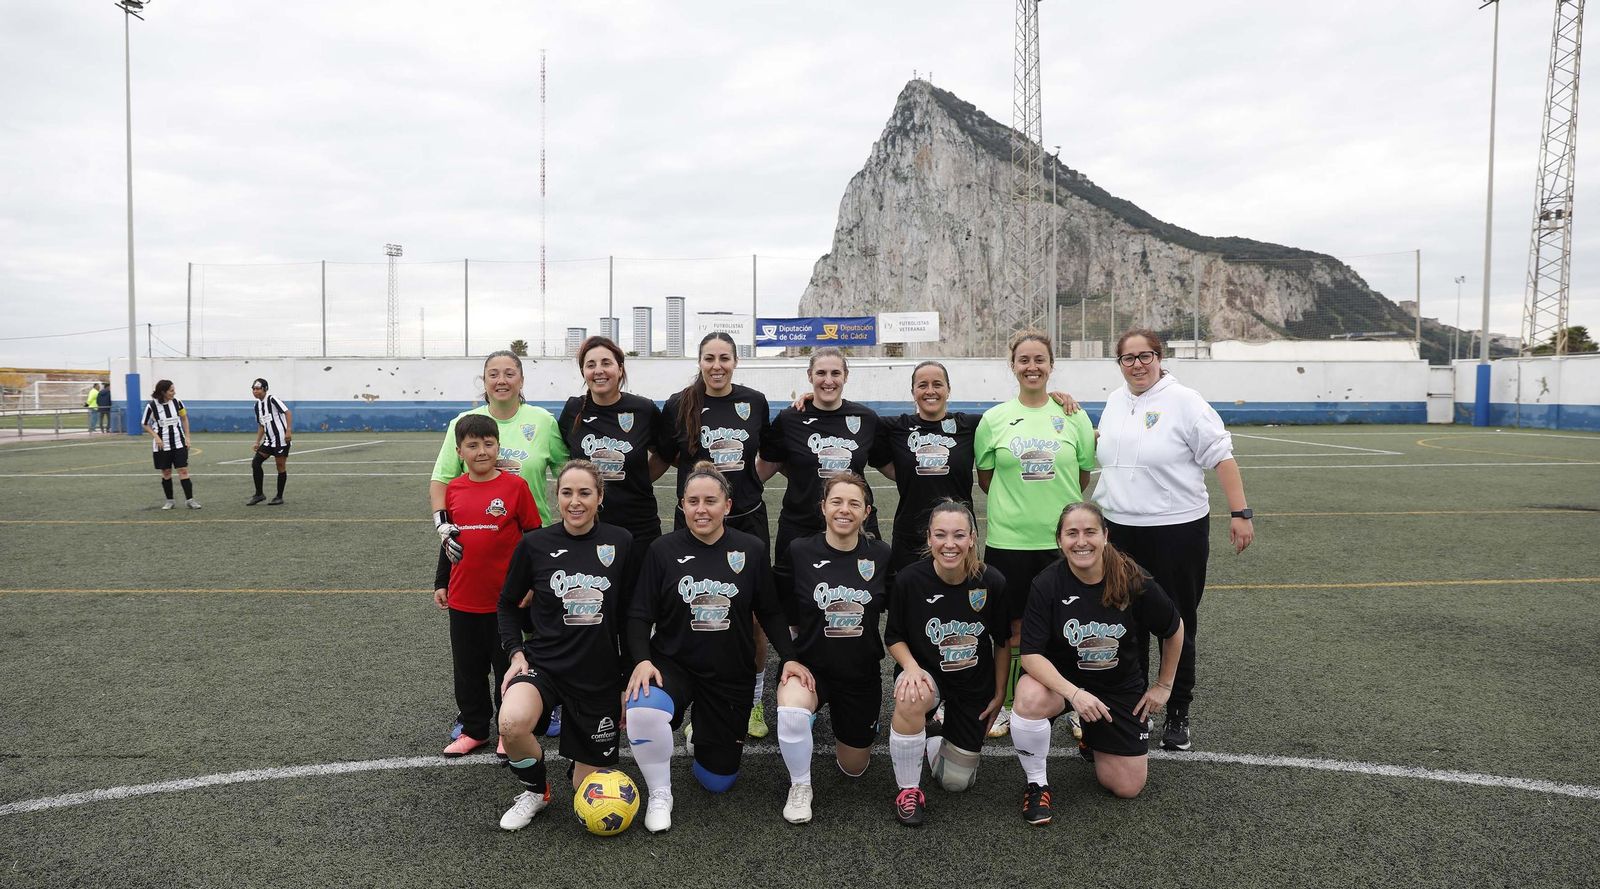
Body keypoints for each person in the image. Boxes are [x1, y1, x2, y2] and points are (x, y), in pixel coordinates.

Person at [623, 461, 809, 834]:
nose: (701, 509)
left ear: (728, 504)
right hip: (673, 664)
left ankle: (702, 732)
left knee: (717, 781)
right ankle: (661, 793)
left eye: (711, 500)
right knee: (643, 710)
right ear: (682, 505)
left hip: (729, 673)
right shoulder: (662, 550)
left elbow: (769, 611)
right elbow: (639, 615)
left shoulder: (750, 550)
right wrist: (642, 661)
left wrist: (791, 658)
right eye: (693, 501)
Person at [1093, 328, 1254, 752]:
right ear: (1119, 364)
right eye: (1128, 358)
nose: (1138, 364)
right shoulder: (1113, 402)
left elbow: (1221, 454)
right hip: (1119, 531)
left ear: (1159, 358)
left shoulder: (1185, 401)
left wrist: (1240, 513)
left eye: (1145, 356)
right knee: (1124, 622)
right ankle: (1133, 703)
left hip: (1176, 531)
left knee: (1177, 621)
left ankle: (1178, 710)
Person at [1010, 501, 1184, 820]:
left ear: (1105, 535)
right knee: (1029, 697)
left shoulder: (1133, 579)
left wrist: (1164, 685)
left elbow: (1174, 628)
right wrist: (1074, 694)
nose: (1081, 541)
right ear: (1060, 540)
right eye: (1071, 533)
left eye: (1090, 532)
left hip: (1118, 686)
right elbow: (1032, 655)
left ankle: (1093, 738)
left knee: (1126, 786)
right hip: (1064, 683)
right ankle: (1036, 785)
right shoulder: (1047, 583)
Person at [493, 459, 635, 830]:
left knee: (585, 788)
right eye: (567, 493)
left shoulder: (620, 542)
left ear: (599, 497)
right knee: (510, 722)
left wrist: (625, 679)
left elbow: (631, 615)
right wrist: (515, 652)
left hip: (598, 676)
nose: (575, 501)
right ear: (556, 497)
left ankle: (580, 760)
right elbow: (508, 603)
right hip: (546, 665)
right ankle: (535, 790)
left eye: (585, 493)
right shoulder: (535, 544)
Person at [655, 332, 778, 739]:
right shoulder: (678, 404)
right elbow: (664, 457)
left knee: (755, 618)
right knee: (696, 610)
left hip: (746, 520)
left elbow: (770, 454)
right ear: (700, 361)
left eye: (724, 358)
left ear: (736, 361)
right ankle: (697, 698)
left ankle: (755, 701)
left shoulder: (754, 401)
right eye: (709, 358)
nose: (717, 366)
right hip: (696, 523)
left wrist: (746, 488)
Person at [974, 330, 1096, 738]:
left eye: (1039, 359)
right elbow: (986, 479)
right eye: (1023, 360)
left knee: (1072, 624)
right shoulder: (994, 419)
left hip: (1063, 546)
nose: (1032, 367)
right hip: (1009, 544)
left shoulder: (1074, 416)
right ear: (1012, 366)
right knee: (1012, 630)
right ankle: (1008, 703)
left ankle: (1077, 702)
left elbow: (1080, 476)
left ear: (1051, 365)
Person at [774, 472, 891, 824]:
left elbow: (900, 614)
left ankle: (832, 725)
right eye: (837, 501)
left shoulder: (882, 555)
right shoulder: (800, 551)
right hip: (812, 670)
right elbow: (774, 610)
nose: (845, 509)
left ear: (866, 512)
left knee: (854, 769)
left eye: (854, 503)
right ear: (823, 507)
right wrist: (789, 659)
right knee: (793, 710)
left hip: (861, 675)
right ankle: (800, 785)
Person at [882, 500, 1008, 827]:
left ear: (971, 539)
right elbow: (894, 636)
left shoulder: (991, 581)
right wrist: (910, 667)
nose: (949, 544)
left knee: (955, 783)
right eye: (940, 535)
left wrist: (999, 694)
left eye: (958, 535)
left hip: (973, 686)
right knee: (911, 697)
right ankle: (908, 790)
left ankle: (935, 734)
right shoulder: (910, 580)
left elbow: (1003, 642)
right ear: (928, 539)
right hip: (927, 677)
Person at [434, 414, 541, 757]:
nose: (482, 451)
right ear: (459, 451)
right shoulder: (454, 490)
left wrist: (532, 585)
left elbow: (533, 538)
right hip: (464, 599)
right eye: (472, 445)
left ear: (498, 446)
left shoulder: (515, 487)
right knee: (468, 671)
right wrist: (441, 582)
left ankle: (506, 732)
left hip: (505, 603)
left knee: (506, 667)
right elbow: (449, 541)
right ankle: (474, 729)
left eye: (488, 443)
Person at [759, 347, 881, 609]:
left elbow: (892, 465)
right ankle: (794, 644)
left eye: (836, 373)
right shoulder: (790, 418)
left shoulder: (866, 419)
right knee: (790, 594)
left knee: (855, 592)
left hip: (852, 521)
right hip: (800, 522)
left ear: (846, 376)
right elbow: (768, 464)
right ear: (809, 376)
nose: (828, 380)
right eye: (821, 373)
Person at [557, 335, 668, 586]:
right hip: (588, 524)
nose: (599, 371)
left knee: (639, 602)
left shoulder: (643, 409)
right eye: (591, 364)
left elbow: (664, 455)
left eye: (606, 363)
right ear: (583, 371)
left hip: (638, 524)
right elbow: (566, 455)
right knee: (596, 596)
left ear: (620, 368)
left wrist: (637, 477)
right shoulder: (573, 410)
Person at [141, 380, 200, 510]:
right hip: (162, 445)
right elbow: (144, 423)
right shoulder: (152, 406)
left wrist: (188, 437)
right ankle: (170, 501)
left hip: (179, 442)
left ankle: (190, 500)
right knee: (166, 472)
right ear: (163, 392)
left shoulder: (177, 402)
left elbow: (184, 418)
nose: (174, 392)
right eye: (171, 390)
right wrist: (156, 437)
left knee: (183, 470)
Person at [246, 378, 293, 506]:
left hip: (281, 440)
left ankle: (279, 496)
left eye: (258, 389)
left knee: (280, 466)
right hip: (268, 441)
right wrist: (257, 441)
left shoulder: (272, 400)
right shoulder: (257, 406)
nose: (255, 391)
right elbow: (262, 425)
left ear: (265, 389)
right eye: (253, 389)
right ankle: (259, 494)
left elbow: (288, 413)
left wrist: (288, 430)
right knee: (256, 463)